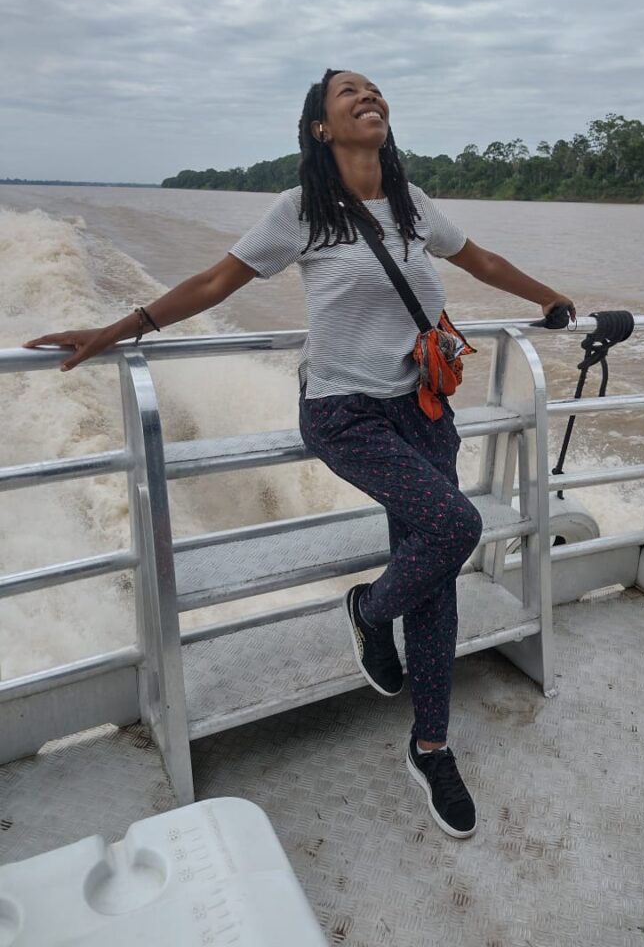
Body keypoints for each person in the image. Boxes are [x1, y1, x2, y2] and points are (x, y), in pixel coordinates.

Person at [25, 69, 575, 839]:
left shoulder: (412, 207)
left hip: (421, 409)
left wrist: (551, 300)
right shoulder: (302, 212)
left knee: (437, 576)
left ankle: (430, 745)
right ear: (321, 126)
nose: (367, 96)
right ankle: (366, 610)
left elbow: (479, 260)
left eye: (375, 89)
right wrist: (113, 331)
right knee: (454, 529)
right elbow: (217, 281)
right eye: (348, 92)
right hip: (344, 414)